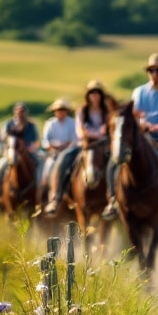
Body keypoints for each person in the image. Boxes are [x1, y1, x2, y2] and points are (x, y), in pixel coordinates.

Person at [101, 54, 158, 221]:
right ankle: (112, 200)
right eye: (152, 70)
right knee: (115, 161)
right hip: (142, 133)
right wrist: (143, 123)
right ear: (148, 72)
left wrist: (157, 126)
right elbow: (135, 114)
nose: (156, 74)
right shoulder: (139, 92)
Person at [43, 80, 115, 217]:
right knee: (63, 159)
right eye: (92, 92)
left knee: (115, 164)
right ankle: (56, 198)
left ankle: (114, 199)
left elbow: (107, 130)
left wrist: (96, 134)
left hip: (103, 145)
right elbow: (80, 131)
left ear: (101, 95)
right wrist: (96, 134)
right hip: (84, 146)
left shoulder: (107, 111)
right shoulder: (82, 110)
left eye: (97, 92)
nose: (94, 95)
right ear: (88, 95)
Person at [0, 101, 40, 201]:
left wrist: (31, 148)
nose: (20, 114)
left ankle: (41, 193)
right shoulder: (9, 124)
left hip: (29, 154)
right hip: (11, 153)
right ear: (15, 113)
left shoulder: (31, 125)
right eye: (18, 111)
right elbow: (3, 137)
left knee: (42, 168)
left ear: (26, 113)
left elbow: (36, 141)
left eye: (22, 111)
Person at [36, 98, 78, 210]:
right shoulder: (50, 123)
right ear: (55, 111)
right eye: (58, 110)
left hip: (70, 154)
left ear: (67, 111)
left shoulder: (72, 123)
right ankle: (50, 198)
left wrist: (65, 146)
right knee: (46, 174)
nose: (60, 112)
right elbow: (45, 142)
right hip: (53, 154)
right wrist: (53, 146)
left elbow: (75, 140)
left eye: (63, 110)